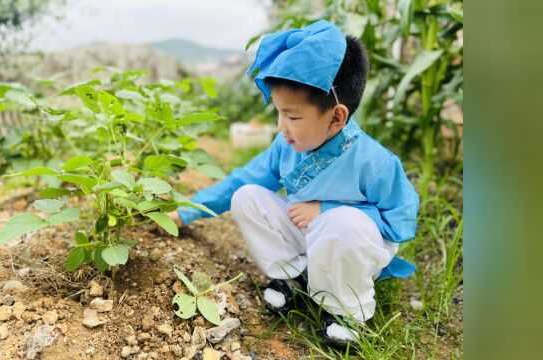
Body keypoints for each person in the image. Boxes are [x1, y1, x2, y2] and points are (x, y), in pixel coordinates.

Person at [167, 19, 419, 346]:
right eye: (279, 113)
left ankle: (345, 311)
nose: (282, 126)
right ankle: (295, 276)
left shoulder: (374, 162)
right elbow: (242, 179)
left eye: (294, 116)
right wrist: (185, 211)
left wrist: (328, 209)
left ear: (337, 117)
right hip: (309, 236)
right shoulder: (286, 146)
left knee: (342, 222)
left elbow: (399, 221)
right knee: (246, 197)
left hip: (350, 248)